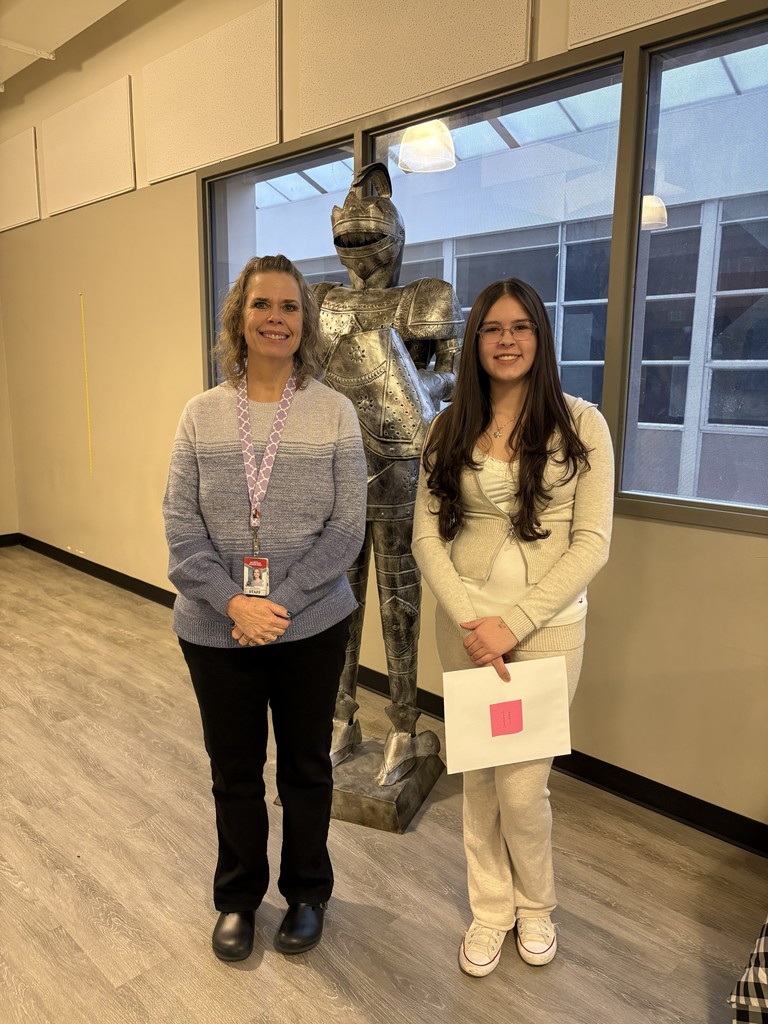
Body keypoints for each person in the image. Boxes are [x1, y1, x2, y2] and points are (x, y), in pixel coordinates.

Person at [163, 254, 367, 963]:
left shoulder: (334, 412)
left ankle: (308, 891)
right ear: (239, 319)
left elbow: (348, 528)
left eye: (289, 306)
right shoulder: (201, 414)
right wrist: (232, 605)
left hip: (310, 626)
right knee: (235, 772)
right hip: (215, 633)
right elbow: (180, 531)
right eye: (262, 305)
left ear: (304, 321)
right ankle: (239, 897)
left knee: (307, 768)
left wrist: (272, 606)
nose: (276, 318)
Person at [412, 278, 614, 977]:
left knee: (524, 788)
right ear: (475, 341)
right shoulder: (447, 426)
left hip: (550, 631)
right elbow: (425, 540)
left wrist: (514, 624)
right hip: (464, 629)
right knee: (477, 778)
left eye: (521, 326)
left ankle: (537, 906)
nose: (506, 339)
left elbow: (592, 543)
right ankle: (491, 909)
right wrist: (473, 622)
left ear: (541, 337)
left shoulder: (583, 425)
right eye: (493, 328)